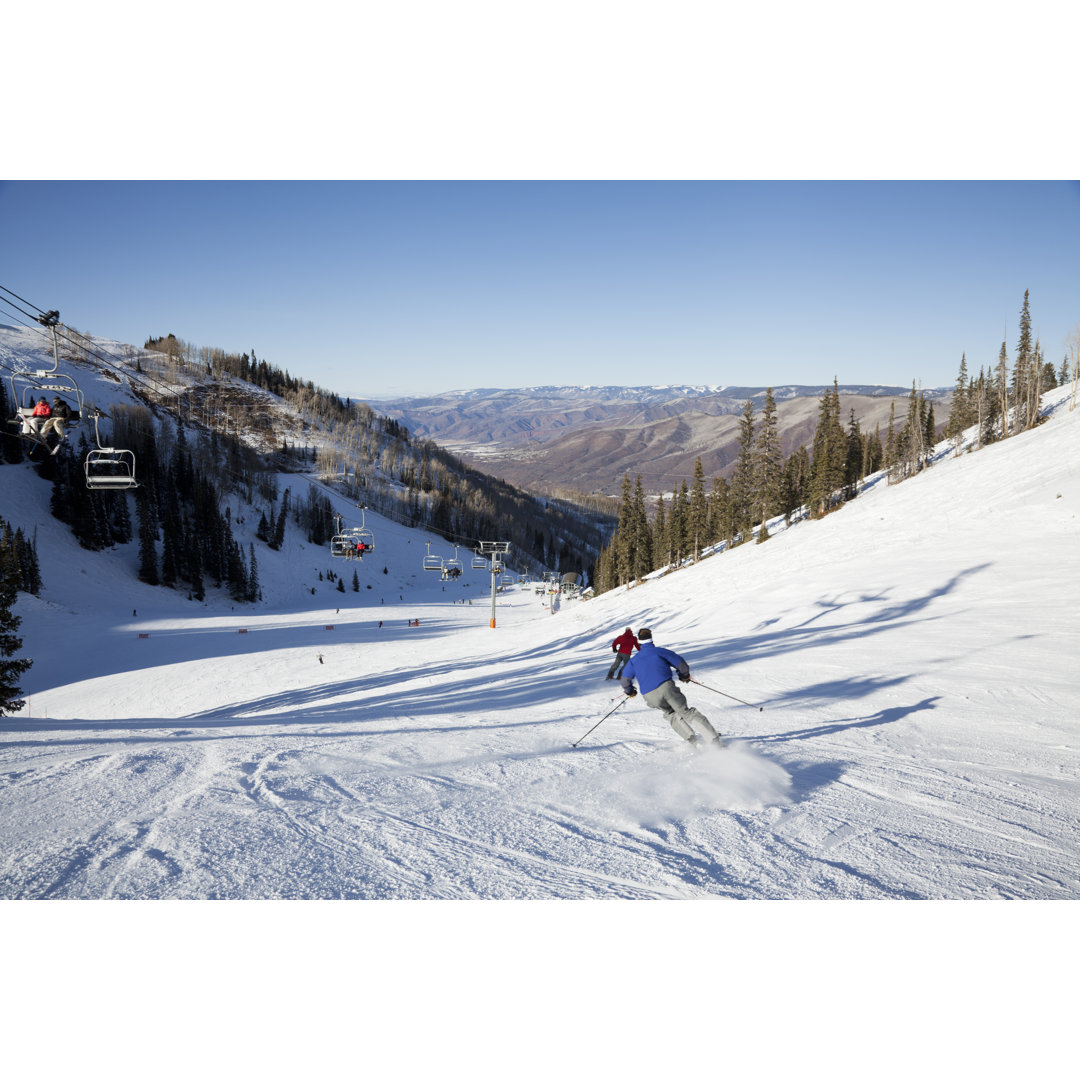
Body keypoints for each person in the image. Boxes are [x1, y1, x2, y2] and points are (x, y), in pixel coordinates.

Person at [620, 628, 722, 748]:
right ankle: (713, 740)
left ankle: (694, 741)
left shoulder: (634, 660)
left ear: (639, 642)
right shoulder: (659, 651)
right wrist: (684, 676)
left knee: (671, 714)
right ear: (652, 640)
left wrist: (630, 691)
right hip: (666, 687)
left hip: (650, 696)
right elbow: (681, 664)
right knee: (686, 712)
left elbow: (625, 680)